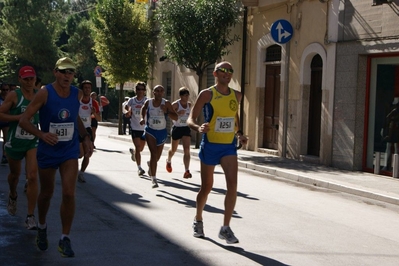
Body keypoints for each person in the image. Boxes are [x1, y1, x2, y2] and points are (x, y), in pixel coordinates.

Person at [19, 57, 93, 257]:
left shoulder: (77, 94)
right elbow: (24, 120)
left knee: (69, 193)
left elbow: (75, 117)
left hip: (68, 150)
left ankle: (64, 238)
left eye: (71, 72)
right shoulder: (44, 93)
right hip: (48, 150)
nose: (67, 76)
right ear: (55, 72)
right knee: (47, 193)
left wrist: (85, 137)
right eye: (63, 71)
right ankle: (42, 226)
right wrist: (42, 134)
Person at [187, 61, 247, 244]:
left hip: (228, 147)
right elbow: (191, 118)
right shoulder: (207, 94)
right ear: (215, 73)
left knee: (232, 186)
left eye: (230, 71)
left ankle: (225, 228)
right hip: (210, 145)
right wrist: (198, 128)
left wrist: (239, 134)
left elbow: (233, 116)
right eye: (223, 71)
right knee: (207, 187)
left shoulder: (236, 95)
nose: (227, 74)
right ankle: (198, 219)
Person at [0, 66, 39, 229]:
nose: (30, 82)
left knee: (32, 176)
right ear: (20, 80)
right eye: (26, 79)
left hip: (32, 141)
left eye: (32, 79)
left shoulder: (39, 96)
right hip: (14, 141)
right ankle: (13, 194)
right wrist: (18, 117)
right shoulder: (14, 96)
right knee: (14, 175)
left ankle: (30, 216)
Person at [140, 85, 177, 188]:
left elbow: (176, 117)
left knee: (157, 157)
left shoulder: (166, 103)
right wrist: (142, 118)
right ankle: (154, 179)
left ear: (163, 93)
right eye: (157, 91)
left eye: (161, 91)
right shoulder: (149, 102)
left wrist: (167, 111)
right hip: (150, 130)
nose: (159, 92)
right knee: (153, 153)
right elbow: (143, 109)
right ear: (153, 92)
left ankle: (150, 165)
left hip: (161, 131)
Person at [166, 87, 192, 179]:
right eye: (185, 95)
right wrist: (177, 113)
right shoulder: (175, 104)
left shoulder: (189, 105)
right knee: (173, 149)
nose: (187, 97)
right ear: (181, 96)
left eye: (188, 95)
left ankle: (186, 170)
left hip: (186, 128)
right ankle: (168, 160)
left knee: (187, 150)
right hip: (177, 128)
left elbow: (191, 116)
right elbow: (169, 114)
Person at [77, 80, 100, 183]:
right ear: (82, 89)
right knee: (80, 154)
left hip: (87, 129)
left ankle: (81, 173)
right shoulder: (77, 100)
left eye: (89, 88)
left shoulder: (93, 102)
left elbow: (99, 119)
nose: (87, 90)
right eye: (85, 88)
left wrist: (94, 113)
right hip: (77, 128)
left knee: (88, 153)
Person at [126, 82, 147, 176]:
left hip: (144, 128)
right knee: (138, 147)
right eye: (138, 89)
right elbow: (126, 107)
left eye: (142, 89)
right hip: (134, 127)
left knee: (141, 148)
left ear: (144, 91)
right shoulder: (132, 100)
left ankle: (134, 152)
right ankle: (139, 168)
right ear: (136, 90)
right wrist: (128, 112)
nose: (140, 91)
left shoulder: (147, 101)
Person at [0, 83, 10, 164]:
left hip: (6, 122)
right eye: (3, 90)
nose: (5, 91)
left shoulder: (10, 99)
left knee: (6, 139)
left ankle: (4, 156)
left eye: (7, 90)